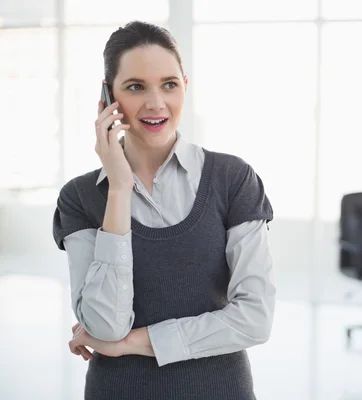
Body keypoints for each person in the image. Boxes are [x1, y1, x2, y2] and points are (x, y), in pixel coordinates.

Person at [52, 21, 275, 400]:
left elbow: (255, 319)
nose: (156, 103)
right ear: (108, 97)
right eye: (136, 86)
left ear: (185, 85)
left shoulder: (232, 179)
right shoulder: (79, 198)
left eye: (169, 84)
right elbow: (106, 326)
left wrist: (133, 343)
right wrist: (119, 189)